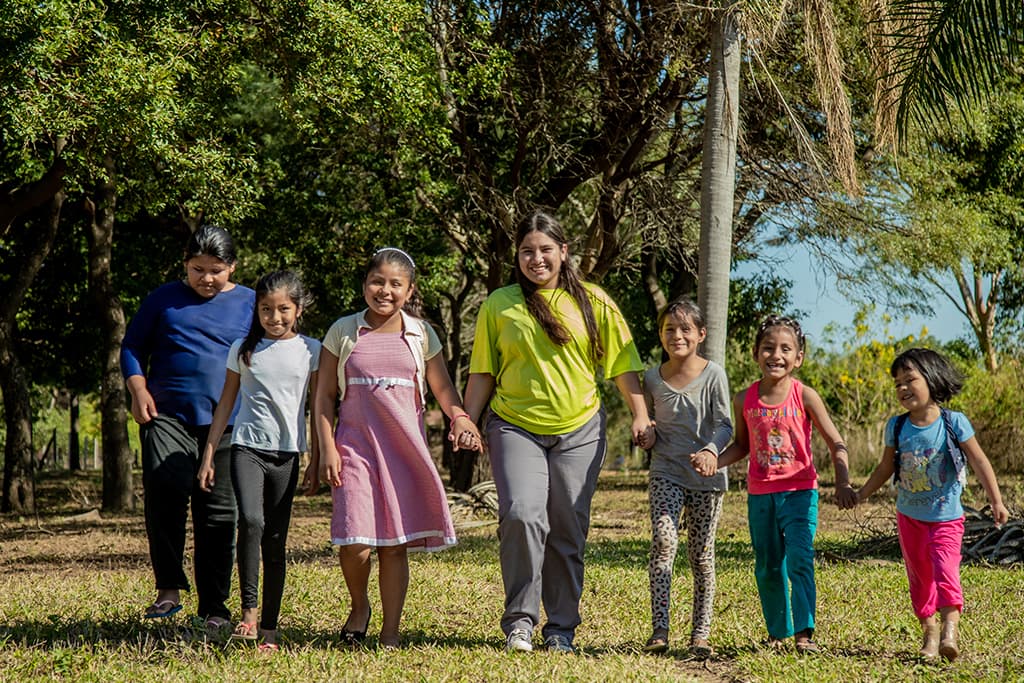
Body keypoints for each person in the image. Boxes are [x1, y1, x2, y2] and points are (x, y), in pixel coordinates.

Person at [462, 209, 651, 654]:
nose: (536, 259)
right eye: (527, 251)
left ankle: (561, 628)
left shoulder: (594, 300)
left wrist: (640, 414)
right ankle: (521, 623)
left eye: (545, 250)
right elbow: (484, 371)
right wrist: (466, 418)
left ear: (564, 252)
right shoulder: (499, 303)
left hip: (579, 429)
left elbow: (623, 366)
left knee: (568, 526)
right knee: (523, 514)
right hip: (514, 425)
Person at [313, 247, 481, 650]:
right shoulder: (343, 331)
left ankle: (390, 631)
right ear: (364, 283)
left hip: (404, 452)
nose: (384, 291)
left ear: (409, 291)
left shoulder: (422, 334)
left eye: (395, 284)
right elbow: (323, 397)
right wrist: (326, 450)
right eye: (377, 281)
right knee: (354, 539)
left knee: (393, 543)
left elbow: (444, 390)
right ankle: (359, 607)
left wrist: (460, 418)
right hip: (353, 449)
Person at [120, 225, 255, 628]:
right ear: (185, 264)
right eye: (197, 269)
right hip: (167, 417)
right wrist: (137, 388)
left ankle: (215, 607)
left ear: (232, 266)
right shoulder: (162, 299)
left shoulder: (251, 303)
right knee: (164, 493)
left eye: (215, 270)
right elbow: (131, 347)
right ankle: (168, 589)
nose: (206, 279)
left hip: (228, 423)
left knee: (218, 512)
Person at [712, 315, 856, 653]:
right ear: (754, 354)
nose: (776, 355)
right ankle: (778, 633)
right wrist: (713, 461)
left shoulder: (805, 395)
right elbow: (743, 446)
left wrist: (843, 480)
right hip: (760, 496)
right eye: (768, 348)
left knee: (801, 559)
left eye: (785, 349)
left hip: (800, 493)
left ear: (799, 357)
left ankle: (804, 634)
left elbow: (836, 441)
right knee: (768, 565)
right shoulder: (743, 399)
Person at [854, 348, 1008, 662]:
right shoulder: (896, 427)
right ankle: (930, 631)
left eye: (910, 379)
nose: (903, 388)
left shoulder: (954, 422)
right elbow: (885, 469)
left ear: (932, 379)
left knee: (945, 571)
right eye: (897, 383)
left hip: (946, 517)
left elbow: (979, 461)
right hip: (909, 517)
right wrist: (860, 494)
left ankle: (950, 628)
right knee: (920, 577)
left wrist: (996, 500)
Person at [196, 270, 320, 651]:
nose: (275, 317)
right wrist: (209, 453)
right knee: (250, 521)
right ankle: (248, 613)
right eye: (266, 309)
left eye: (283, 309)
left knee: (276, 539)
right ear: (257, 310)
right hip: (247, 448)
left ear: (298, 309)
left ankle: (269, 626)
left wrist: (316, 457)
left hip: (287, 454)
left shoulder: (312, 350)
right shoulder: (243, 349)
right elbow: (226, 404)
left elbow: (319, 406)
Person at [637, 298, 732, 658]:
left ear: (701, 334)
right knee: (664, 541)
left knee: (701, 556)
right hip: (666, 472)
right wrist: (647, 435)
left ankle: (700, 634)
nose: (677, 335)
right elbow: (650, 424)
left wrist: (711, 451)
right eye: (669, 329)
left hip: (707, 479)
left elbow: (725, 425)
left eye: (685, 329)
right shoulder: (651, 377)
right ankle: (659, 629)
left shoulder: (714, 374)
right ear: (661, 335)